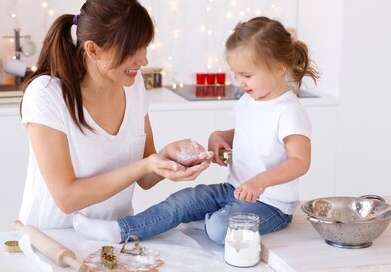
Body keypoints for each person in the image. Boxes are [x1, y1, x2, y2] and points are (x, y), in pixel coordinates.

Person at [73, 16, 320, 244]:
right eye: (236, 75)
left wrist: (260, 182)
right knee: (180, 201)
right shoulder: (250, 99)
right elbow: (245, 131)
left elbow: (300, 161)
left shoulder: (289, 110)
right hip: (233, 190)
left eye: (247, 75)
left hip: (270, 206)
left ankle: (209, 220)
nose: (240, 82)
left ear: (279, 68)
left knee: (220, 228)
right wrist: (219, 137)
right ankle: (121, 230)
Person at [18, 0, 211, 231]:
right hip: (55, 240)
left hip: (114, 236)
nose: (143, 60)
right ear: (93, 50)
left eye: (144, 47)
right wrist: (146, 165)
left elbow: (144, 178)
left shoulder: (133, 86)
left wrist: (168, 159)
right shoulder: (46, 94)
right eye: (131, 51)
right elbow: (67, 198)